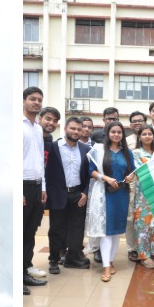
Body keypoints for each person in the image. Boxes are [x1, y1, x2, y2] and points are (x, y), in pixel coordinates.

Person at [85, 121, 134, 281]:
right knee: (106, 231)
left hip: (122, 194)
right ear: (108, 133)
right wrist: (105, 178)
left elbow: (133, 171)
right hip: (104, 195)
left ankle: (111, 262)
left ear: (122, 135)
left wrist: (130, 176)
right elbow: (90, 171)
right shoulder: (99, 150)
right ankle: (106, 267)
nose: (116, 135)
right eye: (113, 132)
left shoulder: (127, 152)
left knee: (116, 232)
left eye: (119, 132)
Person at [46, 116, 92, 272]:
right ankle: (53, 259)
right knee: (57, 228)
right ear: (65, 128)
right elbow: (47, 172)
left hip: (77, 194)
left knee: (77, 228)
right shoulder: (54, 147)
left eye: (79, 129)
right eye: (73, 128)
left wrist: (85, 193)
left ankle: (72, 257)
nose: (76, 131)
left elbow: (89, 174)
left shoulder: (86, 150)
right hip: (58, 194)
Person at [125, 124, 154, 267]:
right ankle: (144, 255)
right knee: (143, 224)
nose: (147, 136)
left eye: (150, 134)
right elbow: (141, 170)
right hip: (143, 192)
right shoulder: (136, 153)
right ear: (140, 137)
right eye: (144, 134)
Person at [22, 86, 48, 289]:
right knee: (20, 231)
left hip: (37, 186)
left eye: (39, 99)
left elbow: (40, 160)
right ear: (24, 100)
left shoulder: (38, 128)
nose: (36, 102)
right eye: (32, 98)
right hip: (22, 186)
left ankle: (25, 270)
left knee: (30, 231)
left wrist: (43, 187)